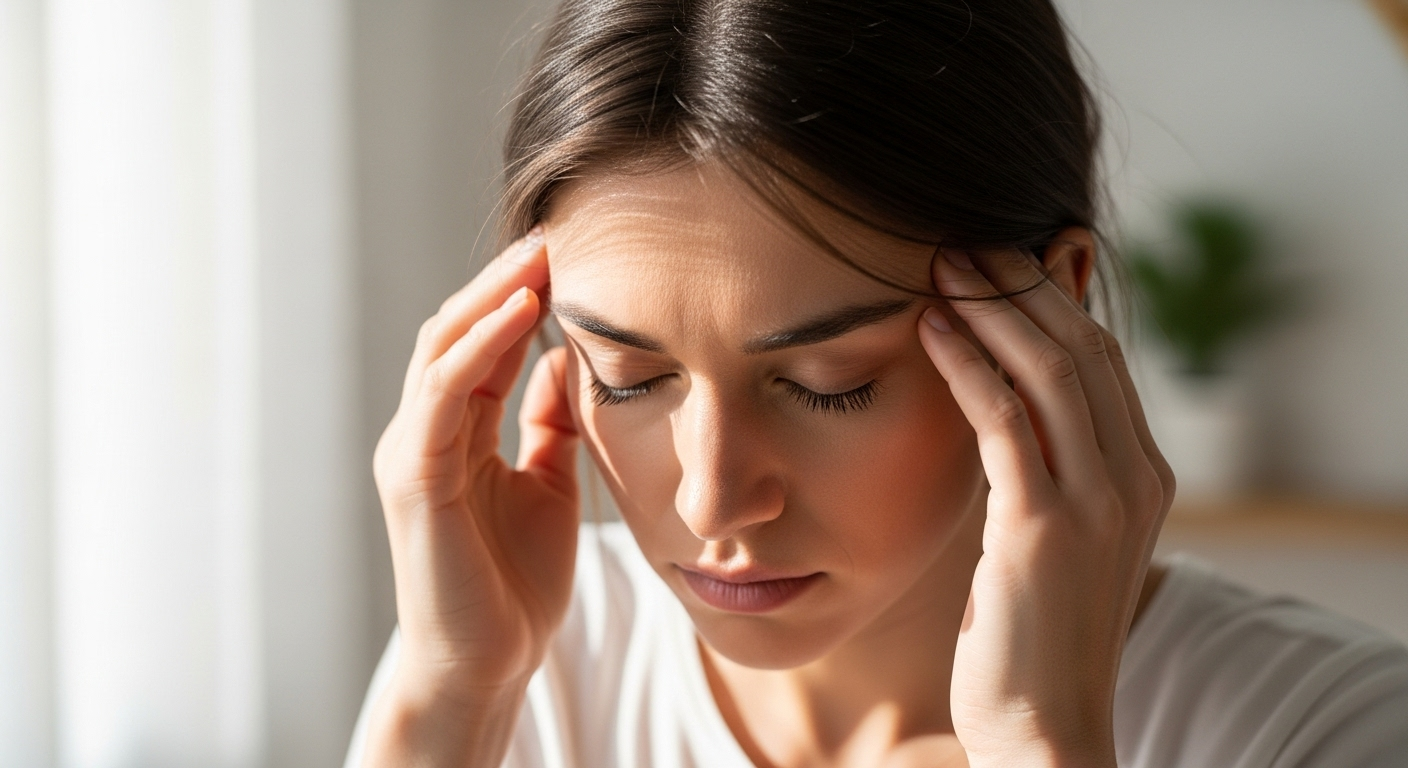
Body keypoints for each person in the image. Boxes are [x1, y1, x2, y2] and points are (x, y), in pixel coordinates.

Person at [345, 1, 1408, 766]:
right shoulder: (519, 671)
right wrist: (448, 701)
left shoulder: (1328, 731)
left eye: (826, 384)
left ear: (1051, 305)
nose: (710, 501)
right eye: (626, 377)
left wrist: (1044, 745)